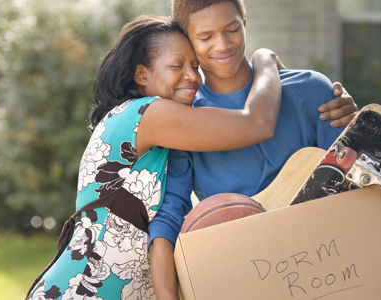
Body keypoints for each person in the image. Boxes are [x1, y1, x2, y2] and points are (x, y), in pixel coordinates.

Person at [25, 15, 347, 300]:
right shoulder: (145, 114)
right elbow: (257, 123)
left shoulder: (169, 140)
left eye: (194, 66)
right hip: (80, 292)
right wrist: (264, 58)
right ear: (141, 75)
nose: (192, 76)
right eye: (177, 66)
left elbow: (168, 218)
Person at [147, 2, 381, 300]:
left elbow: (361, 187)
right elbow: (168, 217)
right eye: (206, 37)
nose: (222, 44)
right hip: (246, 279)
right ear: (187, 38)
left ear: (245, 19)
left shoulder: (310, 90)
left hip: (337, 270)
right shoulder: (185, 121)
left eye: (231, 29)